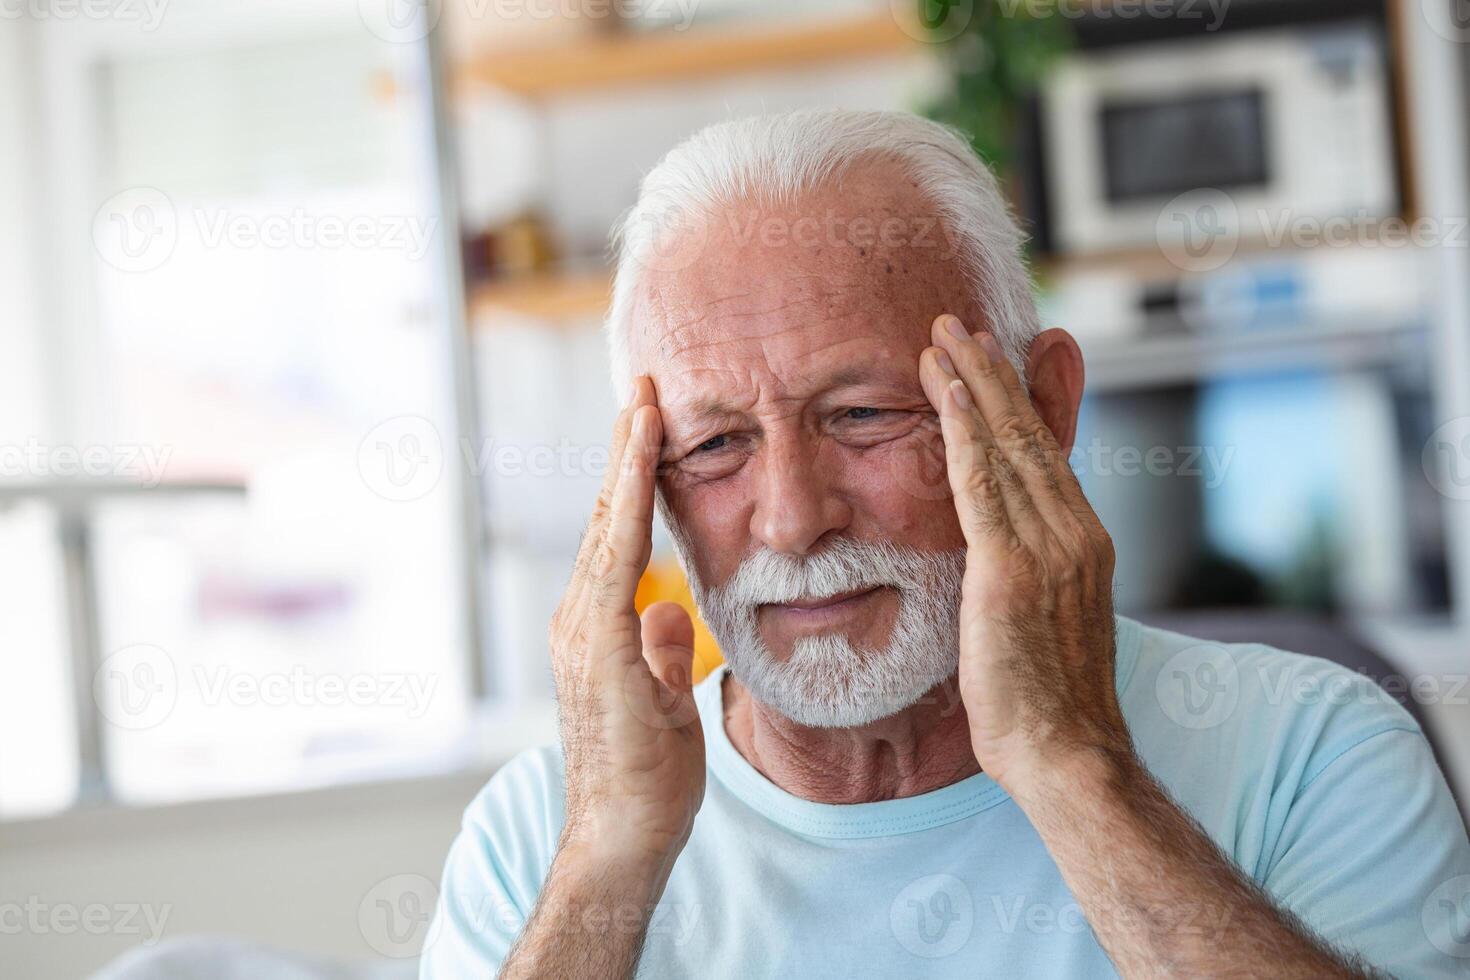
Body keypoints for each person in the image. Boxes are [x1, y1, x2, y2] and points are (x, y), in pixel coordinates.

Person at [422, 109, 1470, 979]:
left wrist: (1073, 769)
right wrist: (608, 861)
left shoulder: (1314, 750)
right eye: (715, 443)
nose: (791, 518)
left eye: (864, 414)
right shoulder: (543, 839)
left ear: (1043, 407)